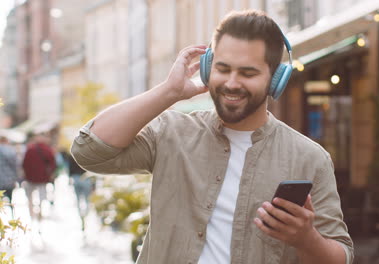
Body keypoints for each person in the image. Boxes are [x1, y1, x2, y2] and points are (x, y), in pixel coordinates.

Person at [71, 10, 353, 264]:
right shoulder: (172, 132)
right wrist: (168, 93)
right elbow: (89, 151)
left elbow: (341, 256)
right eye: (223, 68)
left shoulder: (310, 158)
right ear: (207, 69)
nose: (231, 83)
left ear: (275, 79)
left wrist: (306, 239)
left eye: (248, 73)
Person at [22, 132, 56, 221]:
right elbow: (53, 164)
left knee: (30, 196)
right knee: (41, 196)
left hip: (30, 177)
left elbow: (24, 163)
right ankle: (39, 211)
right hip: (42, 178)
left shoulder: (30, 149)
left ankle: (31, 213)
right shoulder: (47, 149)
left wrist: (25, 174)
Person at [0, 136, 18, 205]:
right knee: (11, 198)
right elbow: (15, 165)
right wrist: (16, 178)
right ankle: (12, 213)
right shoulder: (11, 150)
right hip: (9, 179)